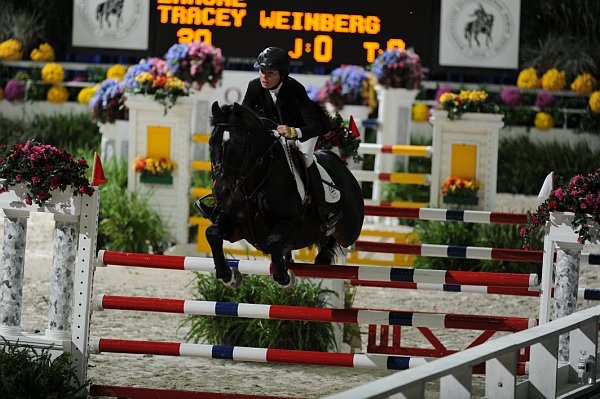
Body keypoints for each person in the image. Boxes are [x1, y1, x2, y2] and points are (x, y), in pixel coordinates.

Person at [242, 46, 341, 231]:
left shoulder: (295, 89)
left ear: (282, 74)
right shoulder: (254, 86)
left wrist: (294, 132)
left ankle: (324, 209)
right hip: (274, 136)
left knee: (306, 160)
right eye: (262, 71)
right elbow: (245, 115)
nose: (264, 76)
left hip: (302, 134)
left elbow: (314, 125)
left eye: (270, 73)